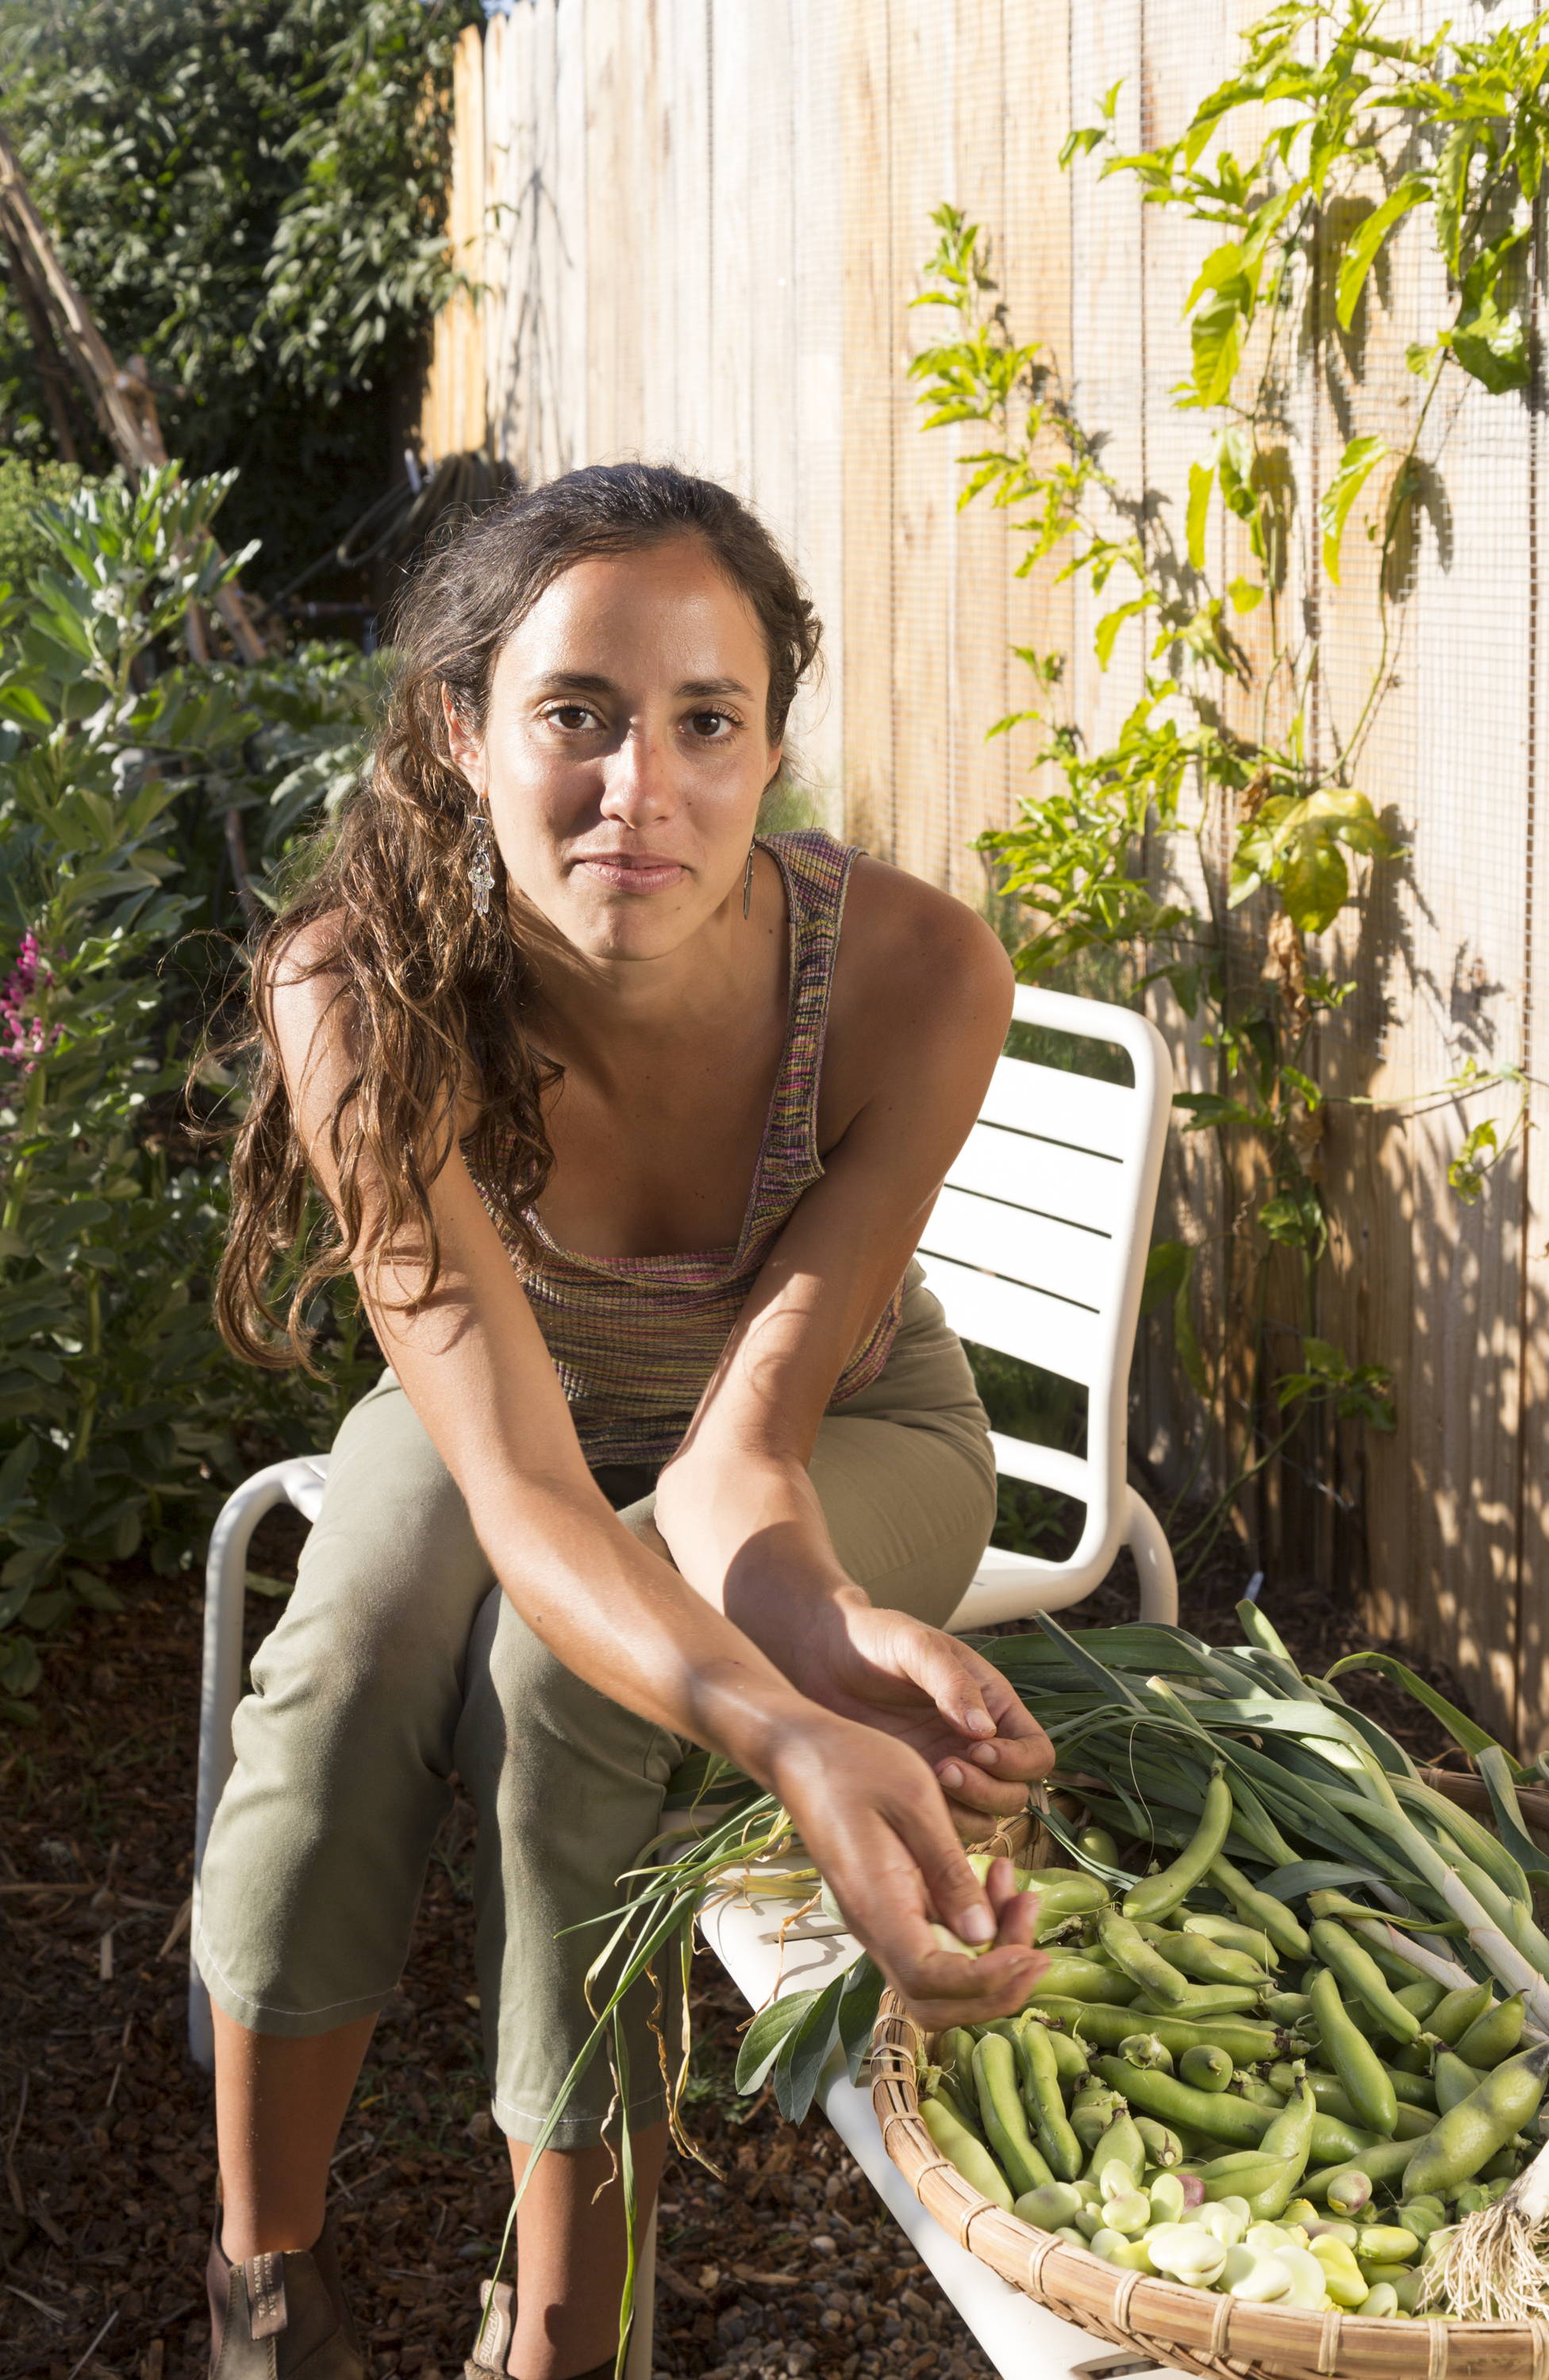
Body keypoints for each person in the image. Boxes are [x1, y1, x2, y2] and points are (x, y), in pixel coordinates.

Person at [198, 462, 1055, 2380]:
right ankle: (262, 2286)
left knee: (582, 1683)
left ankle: (569, 2337)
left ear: (770, 752)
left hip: (837, 1426)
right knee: (346, 1654)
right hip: (517, 1400)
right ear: (463, 730)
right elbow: (514, 1482)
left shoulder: (916, 978)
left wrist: (815, 1649)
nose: (635, 792)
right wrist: (788, 1738)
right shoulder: (360, 991)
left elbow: (740, 1458)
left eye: (706, 724)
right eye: (574, 716)